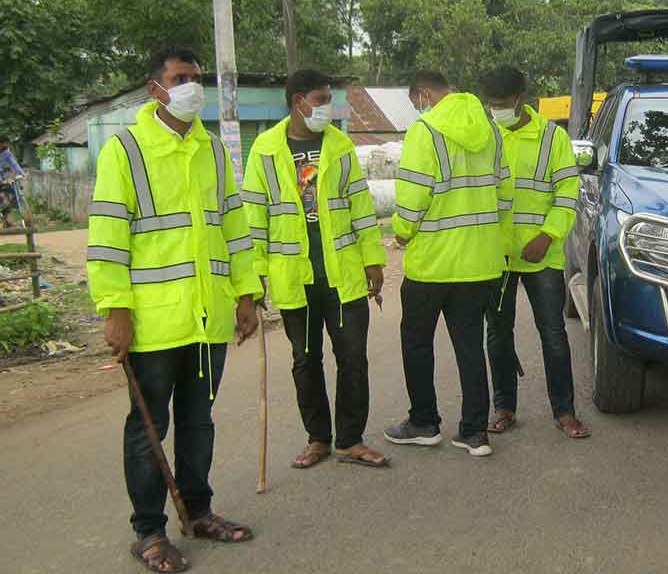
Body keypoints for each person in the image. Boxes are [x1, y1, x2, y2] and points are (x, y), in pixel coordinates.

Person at [86, 47, 262, 573]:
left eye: (196, 78)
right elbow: (108, 236)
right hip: (153, 321)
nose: (192, 87)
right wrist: (115, 309)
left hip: (207, 316)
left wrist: (246, 293)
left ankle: (199, 511)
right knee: (147, 429)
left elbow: (233, 224)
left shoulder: (209, 148)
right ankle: (149, 531)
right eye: (180, 78)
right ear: (155, 89)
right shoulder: (126, 150)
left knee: (198, 420)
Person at [242, 69, 389, 470]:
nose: (329, 106)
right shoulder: (265, 150)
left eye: (329, 98)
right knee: (305, 360)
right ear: (298, 103)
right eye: (322, 99)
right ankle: (319, 438)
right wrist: (253, 274)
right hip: (296, 278)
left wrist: (373, 257)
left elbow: (360, 204)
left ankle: (351, 439)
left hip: (342, 275)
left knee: (353, 358)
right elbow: (254, 215)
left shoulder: (339, 145)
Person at [383, 70, 512, 457]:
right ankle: (474, 433)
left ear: (423, 94)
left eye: (415, 102)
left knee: (417, 344)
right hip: (480, 263)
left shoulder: (425, 131)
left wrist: (402, 232)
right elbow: (504, 194)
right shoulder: (490, 130)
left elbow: (413, 196)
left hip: (432, 265)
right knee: (470, 345)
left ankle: (424, 423)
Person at [479, 66, 589, 439]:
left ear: (521, 100)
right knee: (497, 334)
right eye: (491, 105)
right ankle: (504, 407)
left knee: (553, 333)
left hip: (542, 255)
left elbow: (567, 191)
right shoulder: (483, 135)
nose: (497, 111)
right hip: (496, 256)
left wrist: (548, 234)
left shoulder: (551, 138)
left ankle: (565, 411)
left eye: (503, 104)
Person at [0, 137, 26, 228]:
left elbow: (14, 164)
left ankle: (7, 221)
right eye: (4, 143)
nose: (6, 146)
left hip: (2, 179)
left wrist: (22, 174)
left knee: (10, 195)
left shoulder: (6, 153)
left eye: (6, 144)